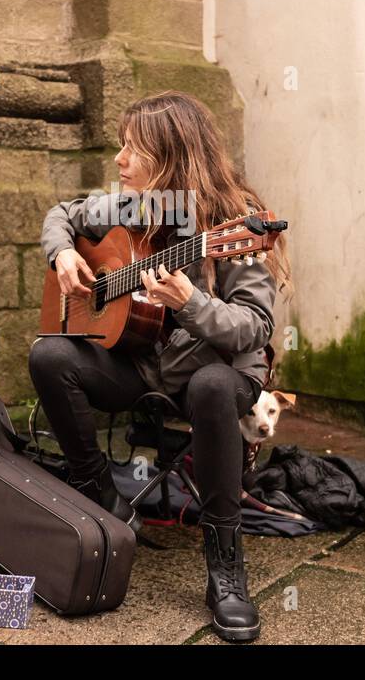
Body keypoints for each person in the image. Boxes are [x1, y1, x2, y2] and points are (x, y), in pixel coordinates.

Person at [28, 90, 290, 642]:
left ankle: (225, 563)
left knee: (214, 384)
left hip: (219, 375)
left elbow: (255, 328)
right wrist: (64, 254)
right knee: (49, 353)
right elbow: (62, 214)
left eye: (132, 148)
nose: (119, 160)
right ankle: (102, 493)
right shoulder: (140, 205)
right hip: (148, 368)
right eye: (121, 146)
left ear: (170, 155)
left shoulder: (234, 223)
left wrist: (189, 303)